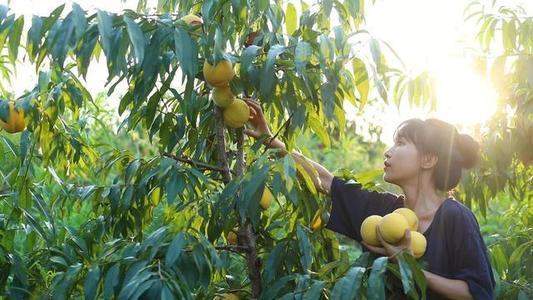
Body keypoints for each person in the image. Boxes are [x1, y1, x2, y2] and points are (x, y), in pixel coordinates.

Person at [243, 98, 496, 300]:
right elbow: (326, 181)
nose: (388, 151)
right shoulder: (385, 211)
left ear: (428, 159)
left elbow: (476, 292)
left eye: (401, 143)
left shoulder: (455, 217)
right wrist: (270, 139)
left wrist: (408, 266)